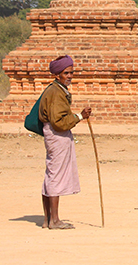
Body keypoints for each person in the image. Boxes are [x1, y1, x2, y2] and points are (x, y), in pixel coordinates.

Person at [38, 55, 92, 230]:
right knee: (56, 175)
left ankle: (48, 219)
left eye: (71, 72)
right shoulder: (55, 92)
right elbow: (59, 122)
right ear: (57, 75)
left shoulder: (57, 90)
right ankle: (54, 220)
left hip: (54, 134)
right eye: (66, 73)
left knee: (51, 174)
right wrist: (79, 116)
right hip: (57, 135)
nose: (69, 76)